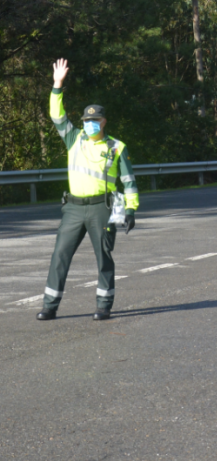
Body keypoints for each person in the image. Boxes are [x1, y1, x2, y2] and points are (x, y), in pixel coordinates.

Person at [36, 58, 139, 321]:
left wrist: (130, 210)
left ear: (104, 121)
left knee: (103, 257)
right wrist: (57, 85)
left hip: (101, 208)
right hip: (73, 208)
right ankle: (50, 306)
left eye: (95, 120)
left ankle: (104, 305)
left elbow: (128, 182)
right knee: (60, 255)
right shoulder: (74, 139)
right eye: (86, 119)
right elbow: (57, 115)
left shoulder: (117, 147)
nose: (90, 123)